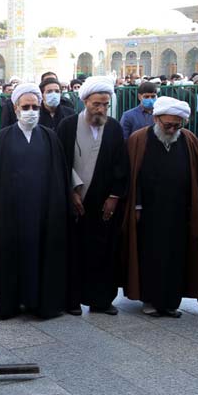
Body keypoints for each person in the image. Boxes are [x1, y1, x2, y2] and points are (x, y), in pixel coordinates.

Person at [121, 96, 198, 318]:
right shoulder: (139, 139)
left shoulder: (189, 140)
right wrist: (136, 206)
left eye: (177, 125)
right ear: (155, 119)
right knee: (150, 255)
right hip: (148, 213)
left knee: (176, 256)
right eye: (168, 125)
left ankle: (171, 302)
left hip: (179, 212)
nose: (172, 129)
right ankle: (150, 299)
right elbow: (133, 177)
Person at [0, 83, 71, 320]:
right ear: (15, 108)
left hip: (43, 213)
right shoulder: (3, 138)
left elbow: (59, 177)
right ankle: (11, 303)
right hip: (12, 215)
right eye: (26, 107)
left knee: (42, 257)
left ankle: (40, 303)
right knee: (11, 257)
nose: (31, 111)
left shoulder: (49, 137)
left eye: (35, 106)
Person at [56, 77, 129, 316]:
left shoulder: (115, 127)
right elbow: (61, 162)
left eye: (105, 105)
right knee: (74, 250)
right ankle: (73, 300)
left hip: (104, 202)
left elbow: (121, 165)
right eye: (96, 104)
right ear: (85, 101)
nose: (101, 109)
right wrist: (71, 191)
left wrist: (114, 196)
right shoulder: (67, 126)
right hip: (75, 200)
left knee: (104, 251)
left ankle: (101, 300)